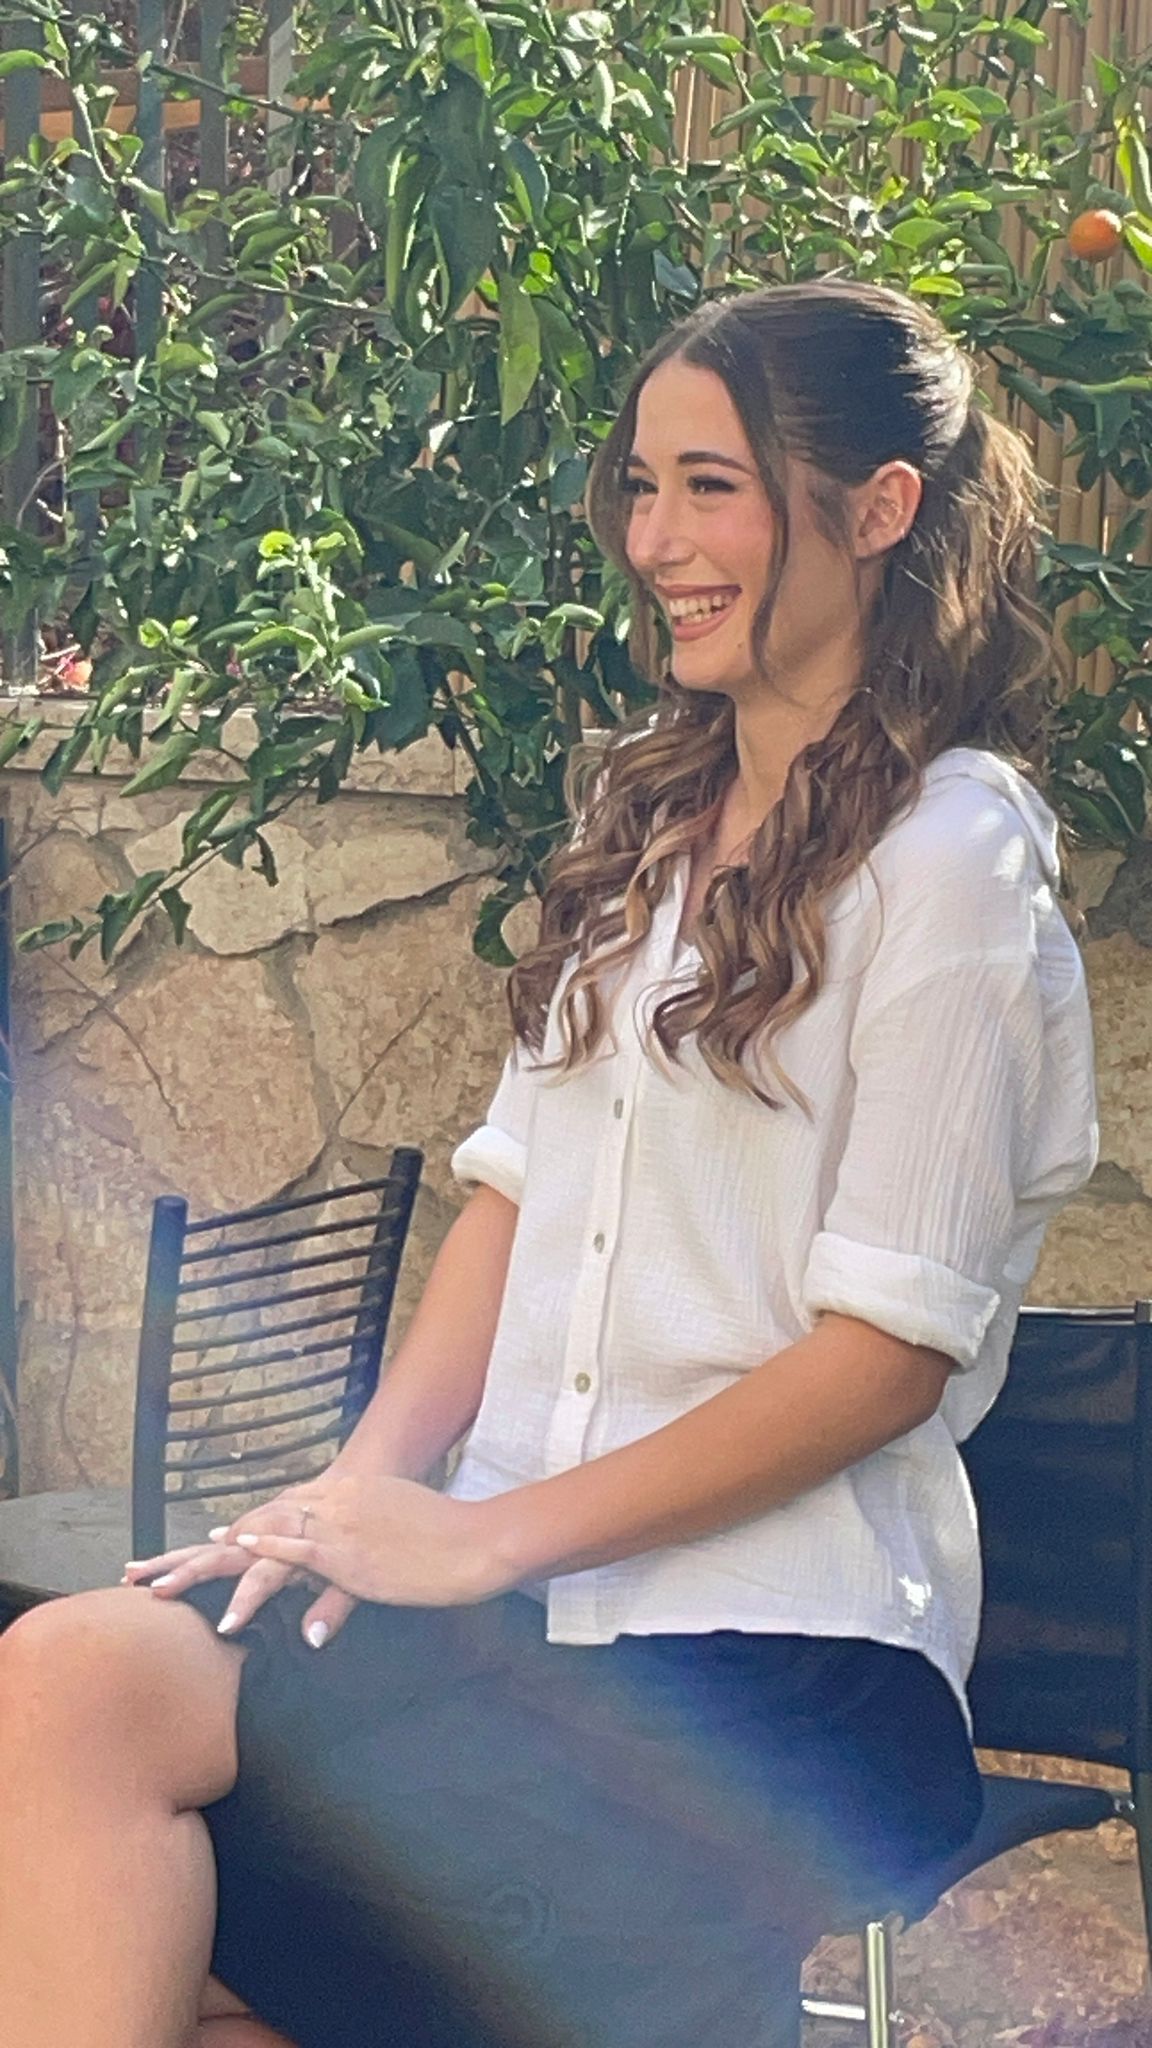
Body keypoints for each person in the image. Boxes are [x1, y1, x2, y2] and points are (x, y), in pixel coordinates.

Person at [0, 277, 1099, 2048]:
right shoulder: (646, 822)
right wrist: (356, 1496)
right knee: (66, 1684)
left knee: (178, 1952)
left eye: (713, 486)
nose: (655, 540)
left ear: (881, 508)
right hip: (514, 1603)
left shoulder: (954, 858)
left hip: (773, 1651)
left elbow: (884, 1359)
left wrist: (481, 1541)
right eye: (643, 486)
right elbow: (512, 1205)